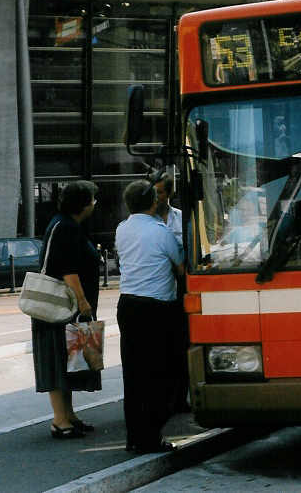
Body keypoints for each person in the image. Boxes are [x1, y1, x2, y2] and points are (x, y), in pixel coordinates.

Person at [116, 180, 184, 453]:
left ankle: (135, 435)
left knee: (133, 375)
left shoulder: (122, 229)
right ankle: (151, 434)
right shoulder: (161, 231)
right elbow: (180, 268)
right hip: (157, 308)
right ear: (153, 202)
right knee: (161, 373)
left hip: (128, 305)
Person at [32, 180, 100, 440]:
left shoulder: (64, 224)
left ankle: (69, 415)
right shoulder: (67, 227)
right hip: (61, 309)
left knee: (69, 361)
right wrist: (83, 302)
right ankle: (60, 420)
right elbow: (68, 270)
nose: (95, 204)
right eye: (93, 199)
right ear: (84, 203)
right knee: (60, 360)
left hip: (62, 308)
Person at [152, 173, 190, 414]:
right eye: (153, 193)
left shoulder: (181, 218)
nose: (157, 198)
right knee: (161, 349)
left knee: (182, 346)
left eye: (161, 193)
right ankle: (164, 398)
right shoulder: (146, 221)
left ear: (169, 194)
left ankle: (180, 398)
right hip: (159, 290)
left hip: (181, 287)